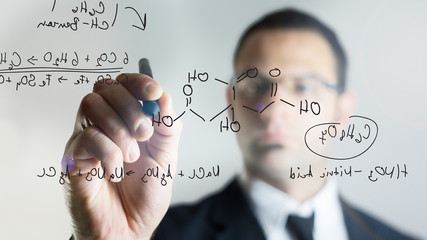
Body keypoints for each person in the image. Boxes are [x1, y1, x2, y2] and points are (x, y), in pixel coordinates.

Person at [64, 8, 416, 240]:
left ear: (342, 112)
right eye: (255, 85)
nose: (274, 107)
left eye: (304, 86)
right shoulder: (156, 235)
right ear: (230, 106)